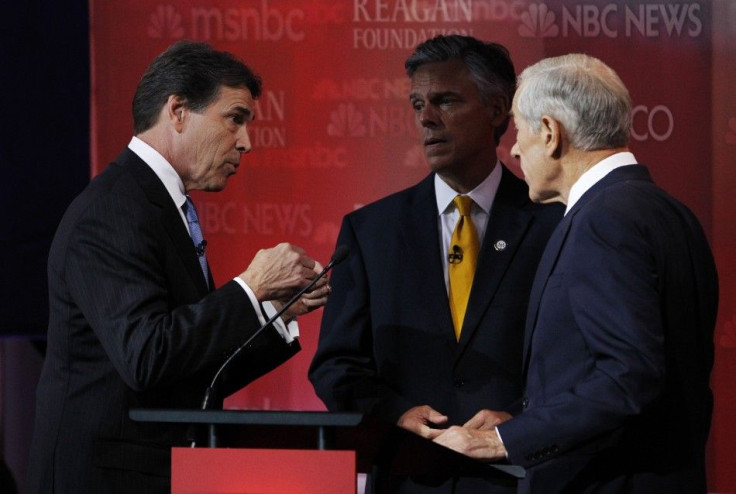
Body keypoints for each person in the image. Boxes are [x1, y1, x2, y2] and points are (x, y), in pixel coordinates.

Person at [27, 41, 330, 493]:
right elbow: (146, 356)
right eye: (235, 119)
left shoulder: (161, 206)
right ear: (179, 110)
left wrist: (273, 313)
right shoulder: (114, 209)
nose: (246, 142)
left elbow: (189, 371)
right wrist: (251, 287)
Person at [433, 53, 719, 493]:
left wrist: (501, 441)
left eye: (517, 129)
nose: (512, 148)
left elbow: (628, 377)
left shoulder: (604, 219)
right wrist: (526, 417)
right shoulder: (671, 212)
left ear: (550, 133)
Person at [308, 35, 563, 493]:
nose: (426, 118)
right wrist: (394, 414)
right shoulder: (371, 232)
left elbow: (575, 364)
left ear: (498, 109)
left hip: (516, 479)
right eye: (418, 103)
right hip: (409, 479)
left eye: (445, 101)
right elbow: (336, 365)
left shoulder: (552, 225)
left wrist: (525, 422)